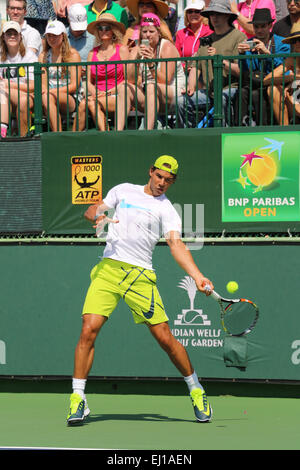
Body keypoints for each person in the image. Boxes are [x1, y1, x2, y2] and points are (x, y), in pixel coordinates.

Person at [66, 155, 214, 426]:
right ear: (150, 171)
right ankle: (78, 398)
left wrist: (198, 276)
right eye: (159, 176)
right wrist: (97, 215)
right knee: (88, 329)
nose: (162, 183)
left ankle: (195, 389)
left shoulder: (167, 209)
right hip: (109, 269)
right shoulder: (123, 190)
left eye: (168, 180)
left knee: (165, 339)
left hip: (140, 277)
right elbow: (93, 210)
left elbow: (176, 245)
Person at [177, 0, 246, 128]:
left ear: (227, 16)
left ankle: (222, 137)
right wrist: (190, 86)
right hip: (209, 92)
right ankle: (189, 138)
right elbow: (196, 67)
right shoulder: (206, 40)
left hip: (231, 89)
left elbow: (242, 71)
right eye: (211, 14)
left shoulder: (239, 37)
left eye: (218, 14)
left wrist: (220, 61)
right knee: (181, 101)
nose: (214, 17)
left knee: (221, 98)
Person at [72, 13, 132, 131]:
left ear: (113, 30)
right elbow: (88, 82)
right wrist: (96, 93)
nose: (103, 31)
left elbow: (127, 79)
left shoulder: (122, 50)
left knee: (88, 103)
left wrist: (107, 93)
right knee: (86, 103)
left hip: (118, 96)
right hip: (96, 96)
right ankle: (75, 139)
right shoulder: (92, 53)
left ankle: (72, 139)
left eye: (107, 28)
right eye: (100, 28)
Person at [127, 13, 186, 129]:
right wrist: (137, 59)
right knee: (124, 87)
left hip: (173, 93)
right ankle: (118, 133)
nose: (148, 35)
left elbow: (165, 80)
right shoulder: (136, 49)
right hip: (151, 95)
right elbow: (130, 79)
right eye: (144, 32)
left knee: (151, 86)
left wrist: (151, 63)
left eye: (151, 31)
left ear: (158, 33)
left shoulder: (167, 47)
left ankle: (148, 132)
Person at [235, 8, 290, 126]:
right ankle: (239, 128)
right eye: (256, 26)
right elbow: (245, 71)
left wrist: (267, 54)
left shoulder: (282, 43)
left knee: (256, 94)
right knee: (241, 92)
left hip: (276, 84)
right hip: (255, 82)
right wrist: (242, 54)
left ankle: (263, 129)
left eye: (263, 26)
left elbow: (284, 67)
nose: (259, 30)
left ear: (270, 25)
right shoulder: (249, 43)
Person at [39, 20, 82, 132]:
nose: (52, 39)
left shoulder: (73, 55)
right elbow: (43, 85)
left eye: (55, 36)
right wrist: (48, 92)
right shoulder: (43, 56)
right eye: (49, 36)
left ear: (63, 36)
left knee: (46, 97)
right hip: (48, 96)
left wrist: (51, 92)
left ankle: (58, 135)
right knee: (31, 99)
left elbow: (74, 86)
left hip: (71, 97)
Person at [0, 21, 37, 138]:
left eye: (15, 34)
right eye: (8, 33)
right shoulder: (0, 56)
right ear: (3, 37)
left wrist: (9, 85)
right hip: (6, 97)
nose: (12, 36)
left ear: (20, 36)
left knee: (6, 91)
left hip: (28, 95)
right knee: (3, 92)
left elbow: (33, 86)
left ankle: (4, 129)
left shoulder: (29, 56)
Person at [263, 22, 300, 124]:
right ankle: (285, 130)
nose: (297, 43)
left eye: (299, 40)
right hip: (295, 99)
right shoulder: (292, 60)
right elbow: (266, 80)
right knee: (274, 89)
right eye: (294, 40)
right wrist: (292, 78)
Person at [175, 0, 213, 69]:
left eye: (197, 11)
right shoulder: (180, 33)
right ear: (186, 14)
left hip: (204, 72)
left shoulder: (210, 31)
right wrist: (184, 67)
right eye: (190, 12)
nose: (193, 14)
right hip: (185, 73)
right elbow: (176, 58)